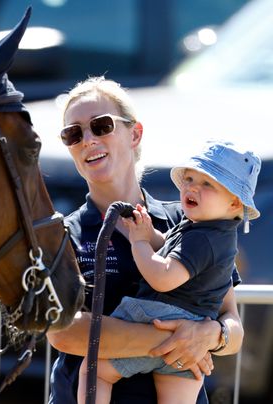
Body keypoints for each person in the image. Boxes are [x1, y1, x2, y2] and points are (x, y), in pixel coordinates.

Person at [46, 76, 245, 404]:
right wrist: (181, 339)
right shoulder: (63, 234)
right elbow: (66, 333)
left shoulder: (189, 222)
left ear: (135, 134)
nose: (87, 140)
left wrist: (212, 335)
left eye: (101, 125)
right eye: (73, 133)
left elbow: (232, 325)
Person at [77, 140, 261, 404]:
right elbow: (171, 249)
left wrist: (139, 242)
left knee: (96, 371)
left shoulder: (204, 237)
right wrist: (149, 234)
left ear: (234, 204)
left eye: (207, 183)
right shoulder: (210, 232)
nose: (192, 186)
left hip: (158, 317)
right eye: (188, 178)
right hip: (192, 334)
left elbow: (163, 277)